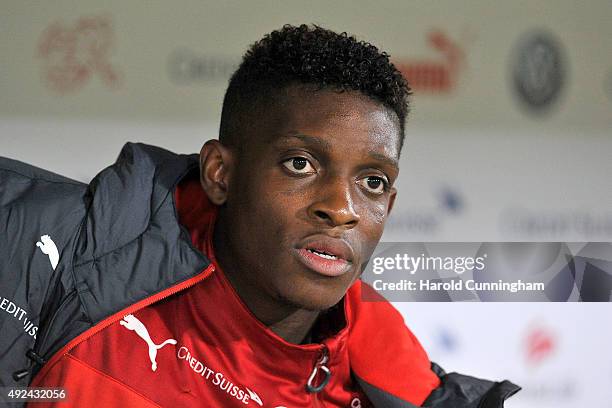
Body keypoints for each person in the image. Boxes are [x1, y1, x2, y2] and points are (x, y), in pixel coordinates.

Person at [0, 24, 519, 407]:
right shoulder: (41, 245)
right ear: (220, 173)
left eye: (373, 182)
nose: (341, 208)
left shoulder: (383, 384)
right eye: (300, 163)